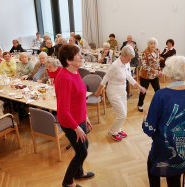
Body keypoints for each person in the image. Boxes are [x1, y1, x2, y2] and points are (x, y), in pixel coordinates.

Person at [142, 56, 185, 187]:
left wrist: (145, 118)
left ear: (168, 71)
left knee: (153, 166)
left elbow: (149, 130)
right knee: (174, 173)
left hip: (166, 145)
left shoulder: (161, 94)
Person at [55, 44, 94, 187]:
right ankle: (67, 182)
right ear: (69, 60)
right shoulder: (65, 78)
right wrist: (76, 127)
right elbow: (63, 111)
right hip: (70, 122)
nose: (81, 57)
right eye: (78, 55)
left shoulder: (75, 72)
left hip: (79, 119)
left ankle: (79, 173)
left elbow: (78, 100)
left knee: (85, 145)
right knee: (81, 153)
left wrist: (85, 117)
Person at [94, 45, 147, 141]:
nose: (130, 61)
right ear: (122, 55)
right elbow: (105, 79)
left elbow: (129, 77)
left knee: (124, 113)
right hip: (113, 92)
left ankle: (118, 129)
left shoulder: (126, 64)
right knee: (122, 115)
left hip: (122, 91)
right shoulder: (115, 66)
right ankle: (112, 132)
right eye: (129, 58)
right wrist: (99, 91)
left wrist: (140, 87)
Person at [138, 38, 162, 112]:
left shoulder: (157, 51)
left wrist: (158, 71)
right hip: (146, 76)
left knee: (158, 91)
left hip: (154, 76)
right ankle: (140, 104)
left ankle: (160, 105)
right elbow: (144, 66)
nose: (153, 45)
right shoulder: (144, 52)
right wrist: (153, 70)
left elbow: (157, 62)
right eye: (151, 43)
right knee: (143, 91)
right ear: (148, 44)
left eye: (154, 43)